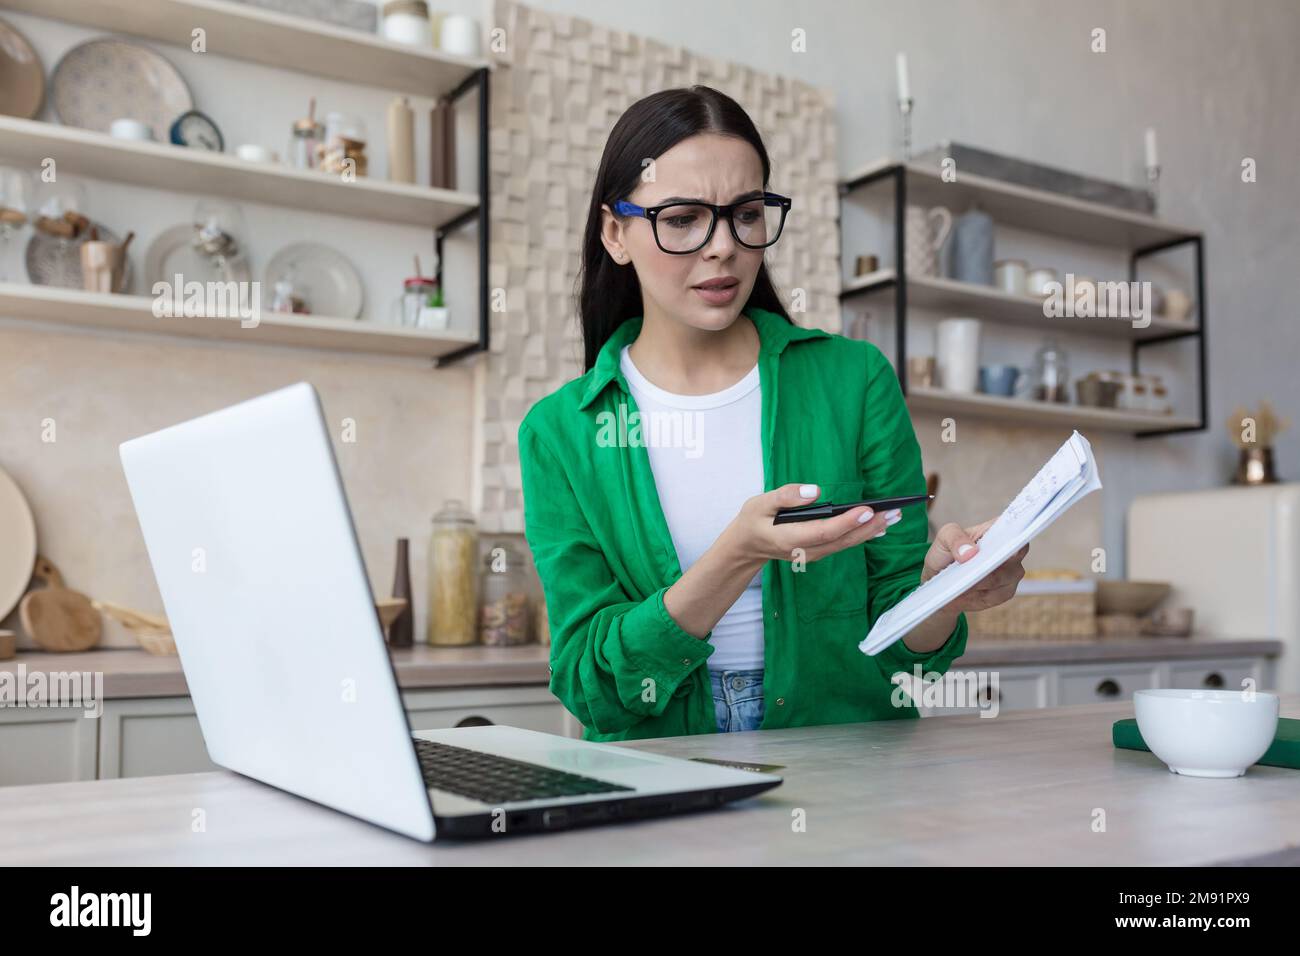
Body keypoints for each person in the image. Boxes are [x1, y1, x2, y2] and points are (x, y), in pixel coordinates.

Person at [518, 86, 1027, 742]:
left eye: (747, 214)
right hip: (664, 774)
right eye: (681, 219)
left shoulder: (855, 380)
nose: (723, 247)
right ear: (616, 233)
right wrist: (736, 555)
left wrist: (943, 590)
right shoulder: (561, 433)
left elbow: (907, 660)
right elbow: (597, 692)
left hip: (849, 775)